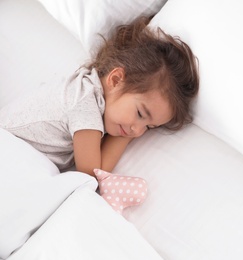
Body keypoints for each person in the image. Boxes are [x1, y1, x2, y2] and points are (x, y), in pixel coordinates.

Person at [0, 16, 199, 177]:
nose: (137, 131)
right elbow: (92, 174)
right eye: (140, 113)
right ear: (115, 79)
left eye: (149, 127)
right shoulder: (85, 105)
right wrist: (123, 140)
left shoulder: (87, 86)